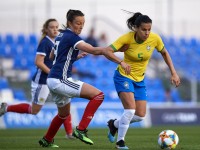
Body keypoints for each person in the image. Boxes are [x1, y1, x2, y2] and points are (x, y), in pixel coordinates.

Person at [38, 9, 131, 148]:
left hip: (52, 79)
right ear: (69, 22)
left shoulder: (60, 36)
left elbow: (52, 57)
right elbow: (93, 50)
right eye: (78, 23)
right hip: (60, 79)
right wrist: (119, 57)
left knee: (63, 114)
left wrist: (73, 57)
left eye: (83, 23)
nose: (81, 26)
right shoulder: (72, 37)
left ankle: (47, 139)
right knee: (98, 95)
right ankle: (80, 130)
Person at [107, 12, 181, 149]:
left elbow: (164, 53)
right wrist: (121, 62)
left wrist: (174, 73)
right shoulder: (127, 38)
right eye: (143, 29)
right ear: (136, 28)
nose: (147, 33)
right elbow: (107, 51)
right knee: (129, 110)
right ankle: (120, 142)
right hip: (123, 76)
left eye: (149, 29)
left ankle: (114, 124)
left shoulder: (154, 39)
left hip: (140, 79)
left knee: (140, 116)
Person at [0, 19, 74, 139]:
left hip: (54, 79)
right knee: (34, 110)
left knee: (65, 102)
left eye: (56, 27)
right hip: (42, 81)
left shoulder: (58, 41)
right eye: (52, 27)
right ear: (46, 29)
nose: (55, 29)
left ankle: (69, 133)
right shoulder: (45, 43)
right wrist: (52, 73)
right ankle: (7, 107)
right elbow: (38, 62)